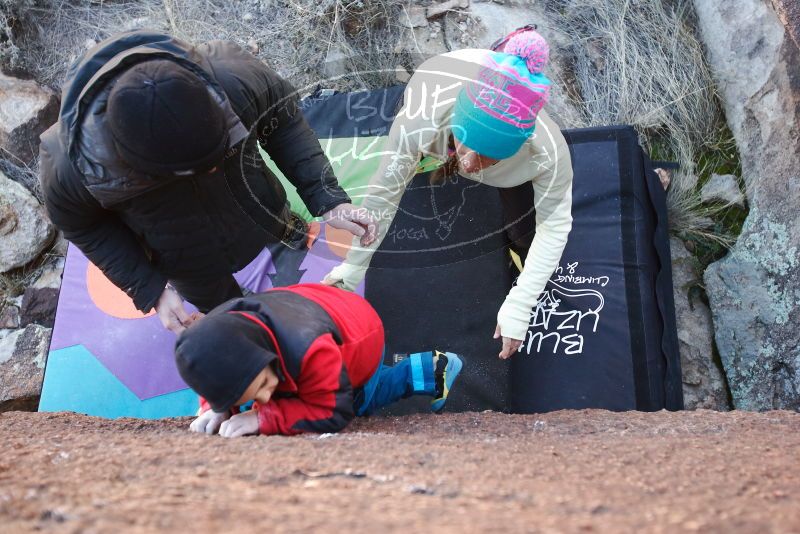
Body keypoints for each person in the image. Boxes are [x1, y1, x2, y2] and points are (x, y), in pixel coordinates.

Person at [39, 31, 377, 334]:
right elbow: (83, 226)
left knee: (280, 225)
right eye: (199, 167)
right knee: (230, 318)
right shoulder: (72, 164)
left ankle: (287, 234)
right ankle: (231, 315)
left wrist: (327, 197)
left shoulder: (231, 77)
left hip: (263, 208)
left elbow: (282, 119)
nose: (214, 170)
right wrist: (150, 289)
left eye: (218, 156)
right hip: (182, 258)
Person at [323, 28, 573, 359]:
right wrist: (353, 266)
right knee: (410, 165)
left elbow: (554, 226)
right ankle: (446, 153)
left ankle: (525, 262)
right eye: (467, 144)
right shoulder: (419, 119)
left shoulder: (549, 154)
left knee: (523, 230)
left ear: (520, 147)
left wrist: (520, 303)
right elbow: (384, 194)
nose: (470, 165)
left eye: (487, 155)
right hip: (440, 92)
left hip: (488, 141)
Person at [174, 283, 463, 437]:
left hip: (358, 330)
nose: (264, 397)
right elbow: (215, 372)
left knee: (358, 401)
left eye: (263, 383)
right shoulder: (217, 339)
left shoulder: (312, 349)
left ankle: (431, 369)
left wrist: (265, 417)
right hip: (306, 304)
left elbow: (333, 411)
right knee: (248, 405)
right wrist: (218, 407)